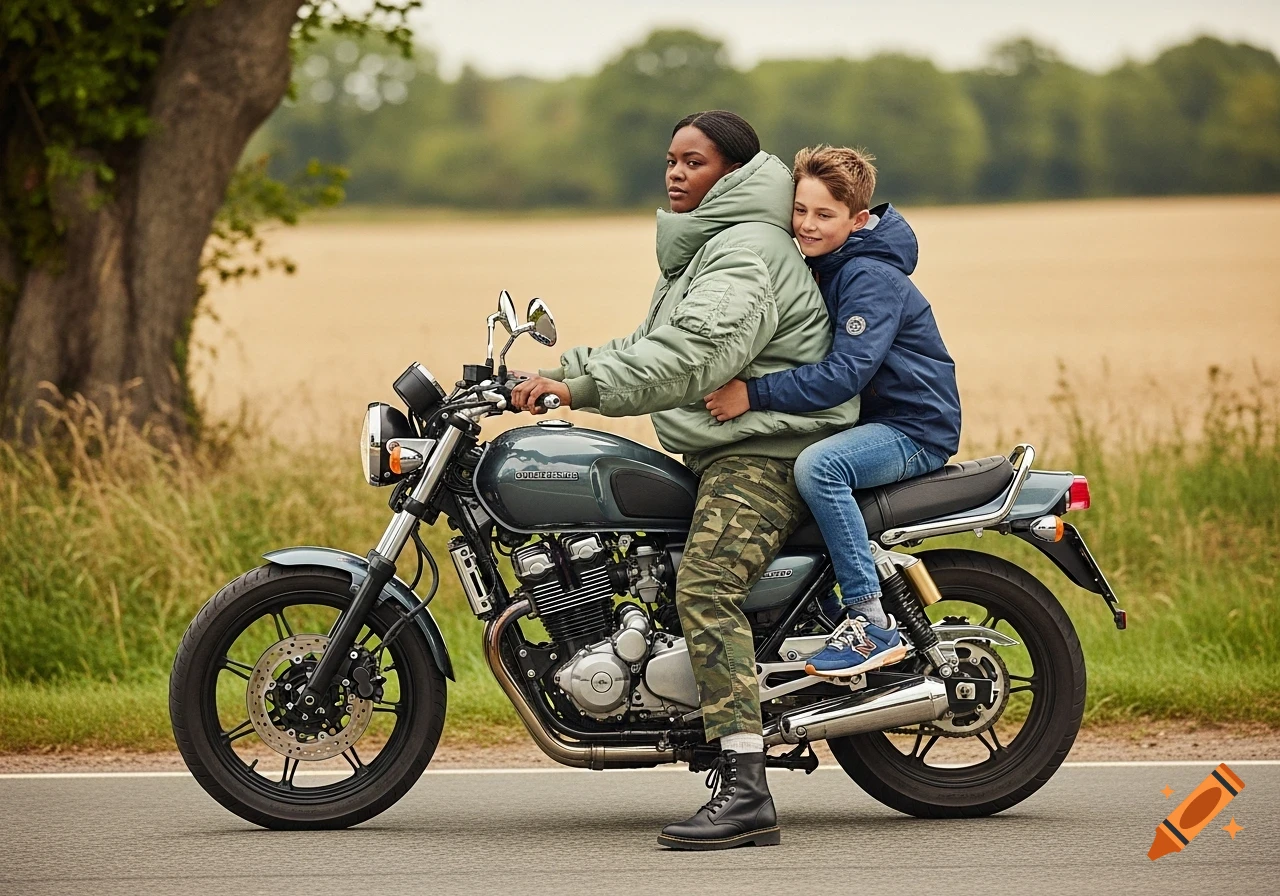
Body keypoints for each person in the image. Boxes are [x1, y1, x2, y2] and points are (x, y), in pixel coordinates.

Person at [513, 112, 858, 849]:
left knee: (704, 586)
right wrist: (554, 372)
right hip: (722, 449)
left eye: (692, 162)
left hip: (764, 455)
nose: (674, 173)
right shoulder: (707, 252)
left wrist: (580, 393)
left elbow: (690, 358)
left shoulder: (747, 255)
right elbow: (646, 344)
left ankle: (744, 789)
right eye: (669, 159)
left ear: (731, 175)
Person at [704, 145, 961, 677]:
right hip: (871, 421)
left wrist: (753, 395)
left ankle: (869, 621)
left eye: (824, 215)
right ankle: (810, 611)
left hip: (912, 428)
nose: (807, 225)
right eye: (800, 210)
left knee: (820, 468)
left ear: (858, 219)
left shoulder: (867, 275)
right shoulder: (826, 265)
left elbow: (847, 372)